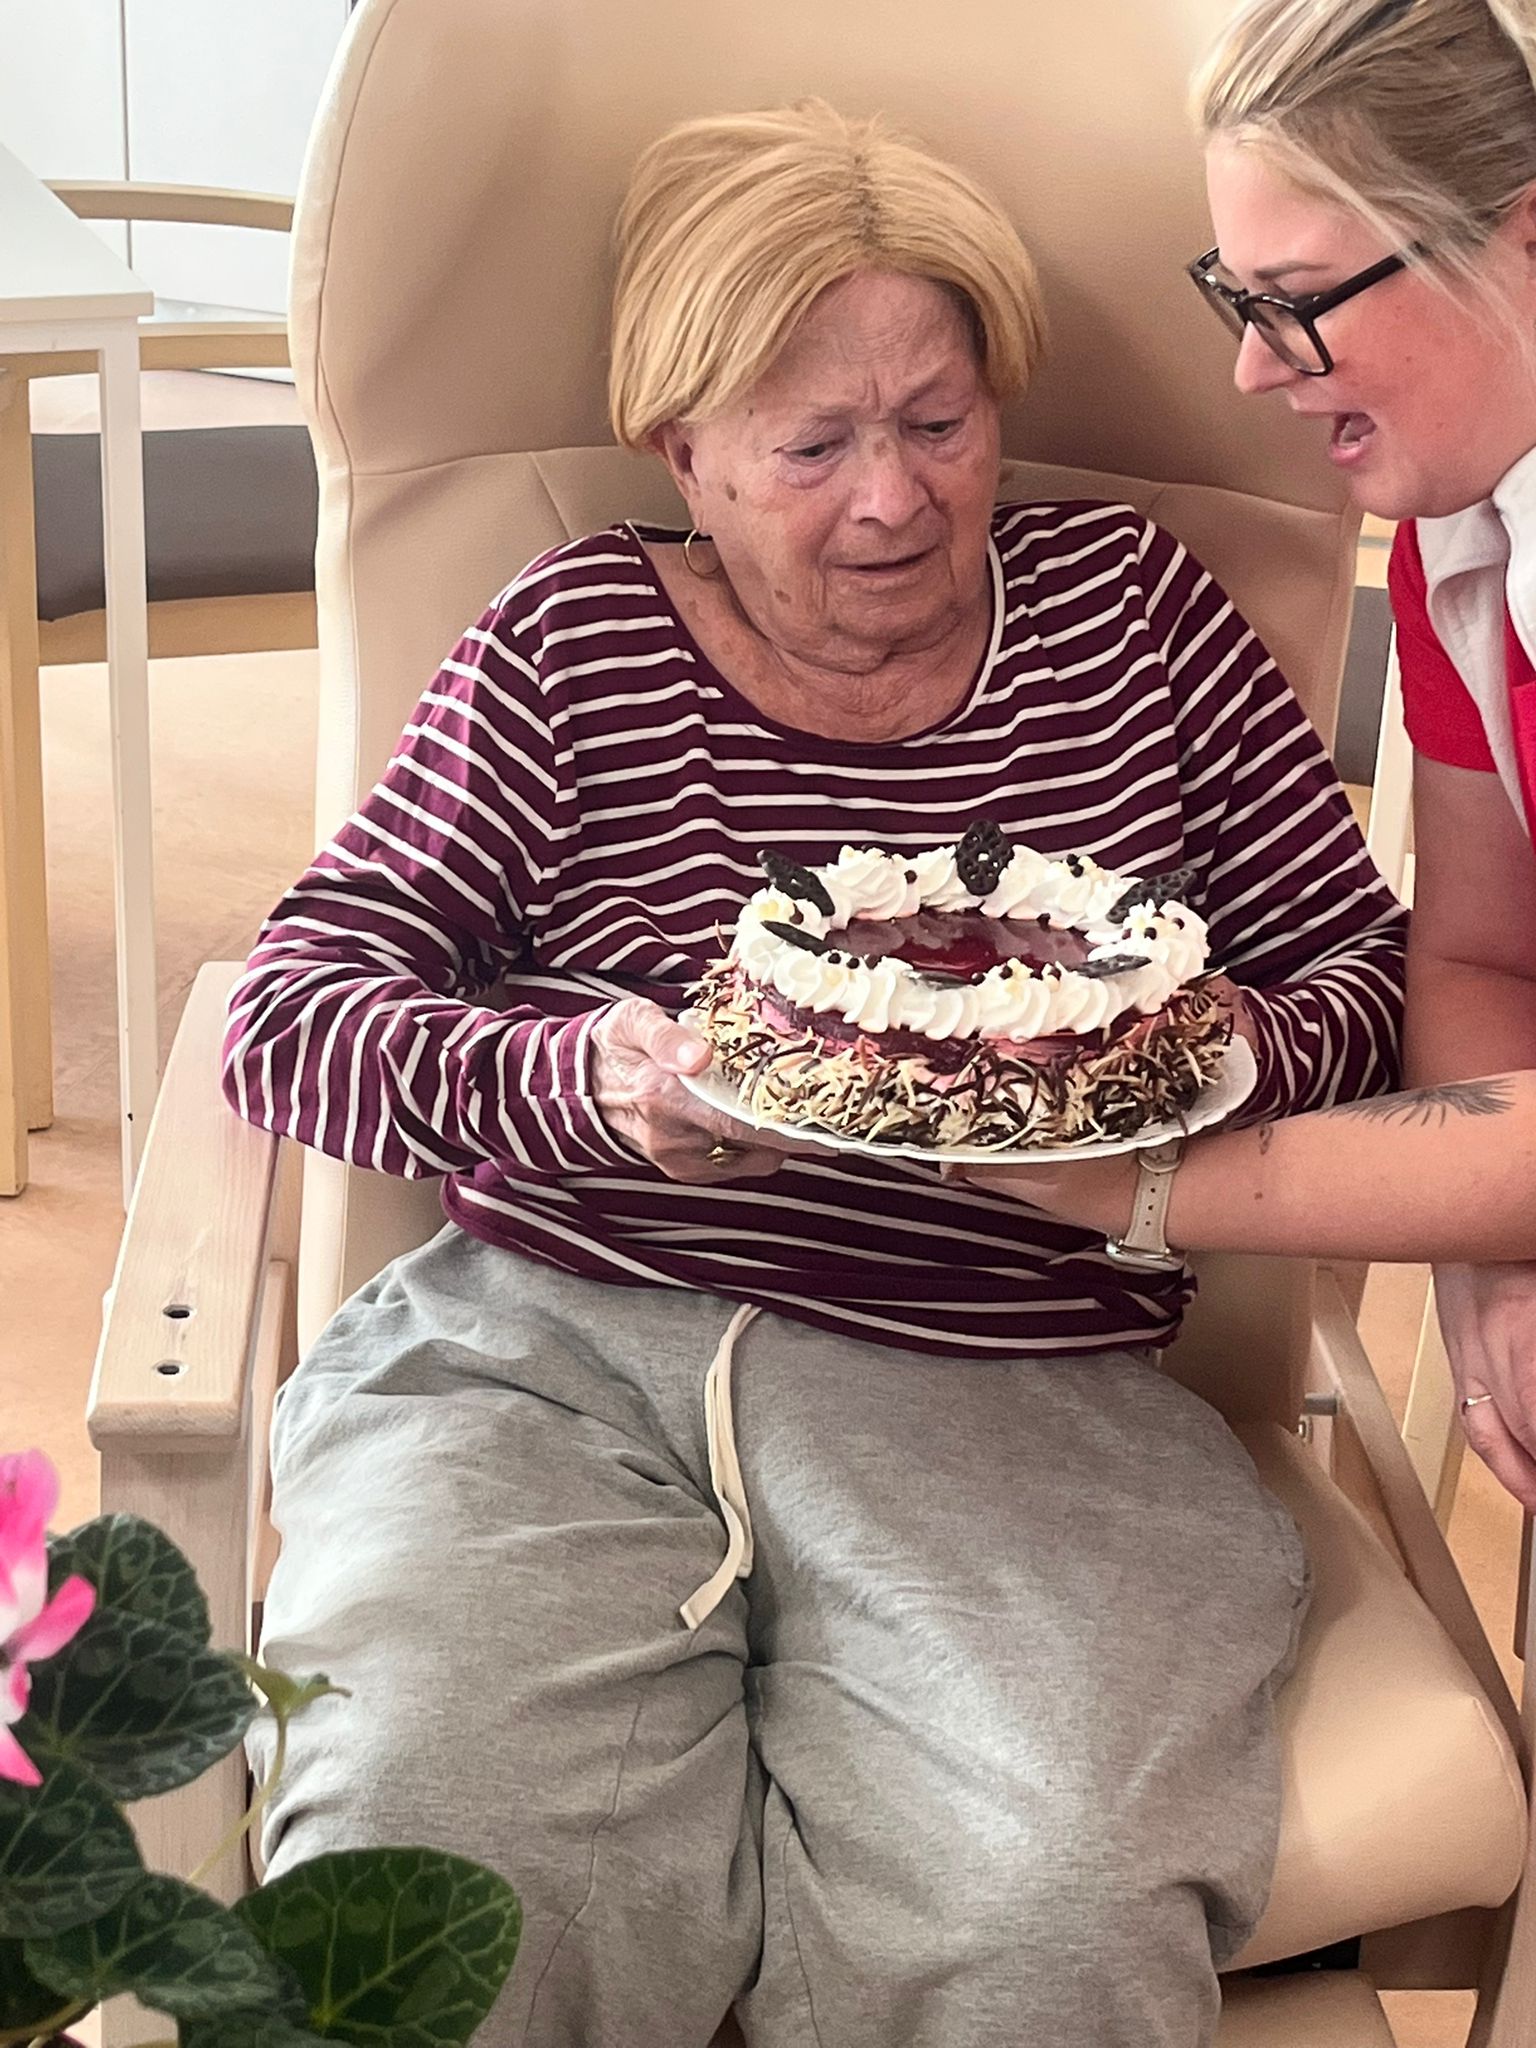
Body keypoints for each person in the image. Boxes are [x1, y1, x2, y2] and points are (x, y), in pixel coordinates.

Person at [224, 100, 1405, 2048]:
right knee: (438, 1869)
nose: (893, 501)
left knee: (1047, 1910)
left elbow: (1364, 972)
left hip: (1018, 1390)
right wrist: (588, 1083)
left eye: (941, 422)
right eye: (812, 445)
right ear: (681, 445)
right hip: (550, 1359)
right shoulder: (572, 645)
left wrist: (1164, 1060)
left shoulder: (1139, 620)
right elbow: (292, 1009)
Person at [965, 0, 1536, 1513]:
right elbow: (1481, 957)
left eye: (1297, 300)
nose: (1253, 373)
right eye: (1236, 296)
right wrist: (1492, 1256)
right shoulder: (1460, 551)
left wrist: (1127, 1183)